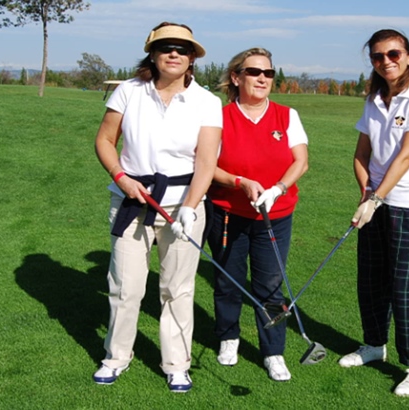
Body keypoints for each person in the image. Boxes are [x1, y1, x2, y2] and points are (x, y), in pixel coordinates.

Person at [92, 22, 222, 393]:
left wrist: (191, 208)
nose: (174, 53)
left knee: (177, 289)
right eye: (166, 46)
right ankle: (116, 356)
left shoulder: (207, 101)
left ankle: (177, 364)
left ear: (193, 56)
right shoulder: (129, 92)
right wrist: (120, 177)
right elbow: (104, 139)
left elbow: (207, 161)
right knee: (125, 286)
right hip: (131, 200)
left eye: (183, 48)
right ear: (152, 52)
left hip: (184, 206)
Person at [341, 29, 409, 397]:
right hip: (377, 203)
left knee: (405, 288)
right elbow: (360, 154)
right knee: (370, 281)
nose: (386, 61)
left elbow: (407, 155)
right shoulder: (374, 98)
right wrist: (366, 193)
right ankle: (373, 345)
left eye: (394, 53)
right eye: (378, 56)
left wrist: (376, 198)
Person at [206, 47, 309, 382]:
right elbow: (208, 167)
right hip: (227, 213)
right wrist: (240, 182)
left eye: (268, 73)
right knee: (228, 282)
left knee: (270, 285)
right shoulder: (220, 116)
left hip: (275, 215)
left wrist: (278, 188)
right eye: (254, 72)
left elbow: (300, 161)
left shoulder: (286, 115)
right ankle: (228, 337)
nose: (262, 78)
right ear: (236, 77)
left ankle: (273, 351)